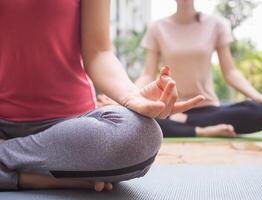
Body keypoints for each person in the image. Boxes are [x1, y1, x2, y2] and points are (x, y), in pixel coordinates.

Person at [0, 0, 203, 191]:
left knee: (141, 135)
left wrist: (131, 96)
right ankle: (33, 178)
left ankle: (8, 166)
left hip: (71, 130)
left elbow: (98, 52)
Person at [135, 0, 262, 137]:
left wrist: (259, 97)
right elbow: (148, 74)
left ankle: (187, 124)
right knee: (139, 119)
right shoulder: (157, 27)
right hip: (171, 110)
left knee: (260, 112)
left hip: (207, 110)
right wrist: (129, 98)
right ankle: (203, 131)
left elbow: (230, 72)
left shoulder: (216, 24)